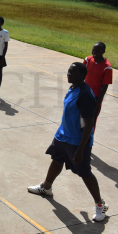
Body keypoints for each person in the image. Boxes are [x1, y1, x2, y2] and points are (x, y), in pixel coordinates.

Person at [27, 62, 109, 222]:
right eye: (68, 71)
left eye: (72, 72)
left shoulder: (85, 94)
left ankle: (100, 205)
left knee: (85, 172)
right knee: (57, 160)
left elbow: (89, 124)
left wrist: (80, 150)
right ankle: (46, 187)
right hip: (63, 135)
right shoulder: (73, 88)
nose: (68, 74)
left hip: (77, 141)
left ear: (82, 75)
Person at [83, 42, 113, 125]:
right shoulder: (87, 60)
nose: (94, 52)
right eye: (93, 50)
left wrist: (98, 102)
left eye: (97, 51)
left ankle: (89, 134)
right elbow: (81, 76)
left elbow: (105, 86)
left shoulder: (107, 67)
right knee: (80, 118)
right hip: (84, 93)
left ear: (103, 52)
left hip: (95, 97)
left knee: (91, 121)